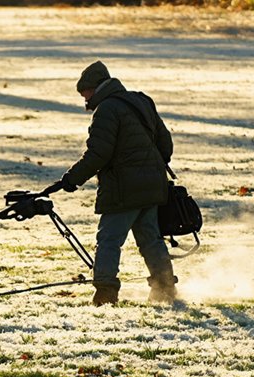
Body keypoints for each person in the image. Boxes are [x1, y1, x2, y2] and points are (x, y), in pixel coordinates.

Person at [53, 61, 178, 306]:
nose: (84, 100)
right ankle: (165, 289)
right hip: (153, 186)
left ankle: (105, 293)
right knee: (151, 239)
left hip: (123, 189)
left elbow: (98, 154)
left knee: (109, 239)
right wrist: (148, 170)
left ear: (94, 88)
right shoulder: (141, 101)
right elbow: (165, 145)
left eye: (84, 93)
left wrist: (71, 180)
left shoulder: (106, 110)